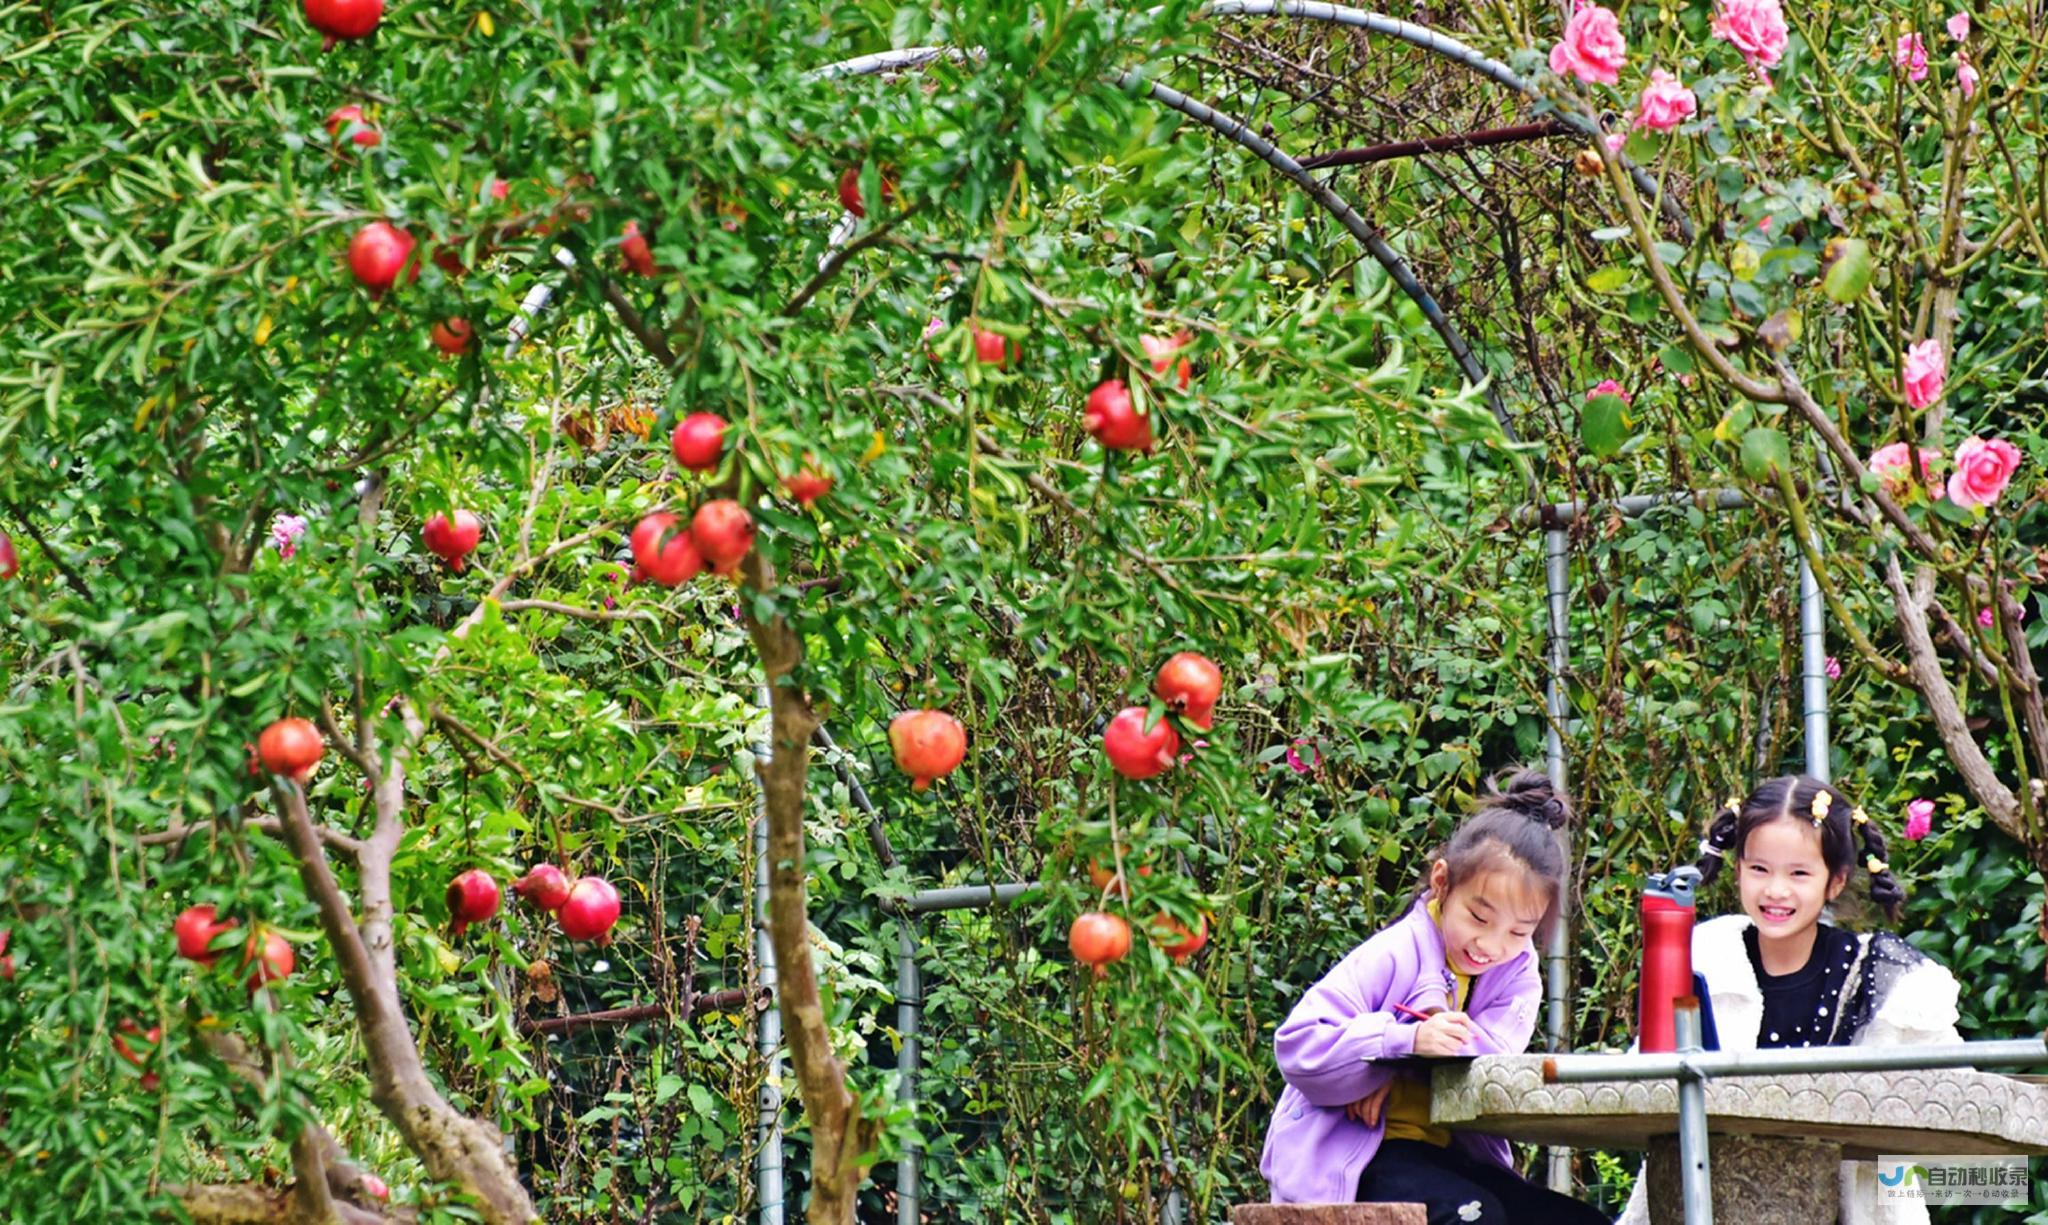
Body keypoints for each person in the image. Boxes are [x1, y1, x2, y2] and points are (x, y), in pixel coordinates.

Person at [1260, 770, 1610, 1224]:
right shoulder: (1393, 952)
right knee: (1475, 1218)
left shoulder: (1518, 974)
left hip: (1447, 1153)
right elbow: (1298, 1045)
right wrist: (1397, 1043)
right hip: (1358, 1160)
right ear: (1443, 883)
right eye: (1479, 917)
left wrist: (1404, 1066)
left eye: (1518, 932)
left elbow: (1490, 1068)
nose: (1491, 945)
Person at [1616, 774, 1962, 1225]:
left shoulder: (1887, 980)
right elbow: (1641, 1079)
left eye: (1799, 873)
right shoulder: (1702, 956)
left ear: (1835, 882)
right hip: (1706, 1204)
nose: (1776, 890)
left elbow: (1962, 1112)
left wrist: (1899, 1177)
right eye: (1759, 869)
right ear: (1737, 868)